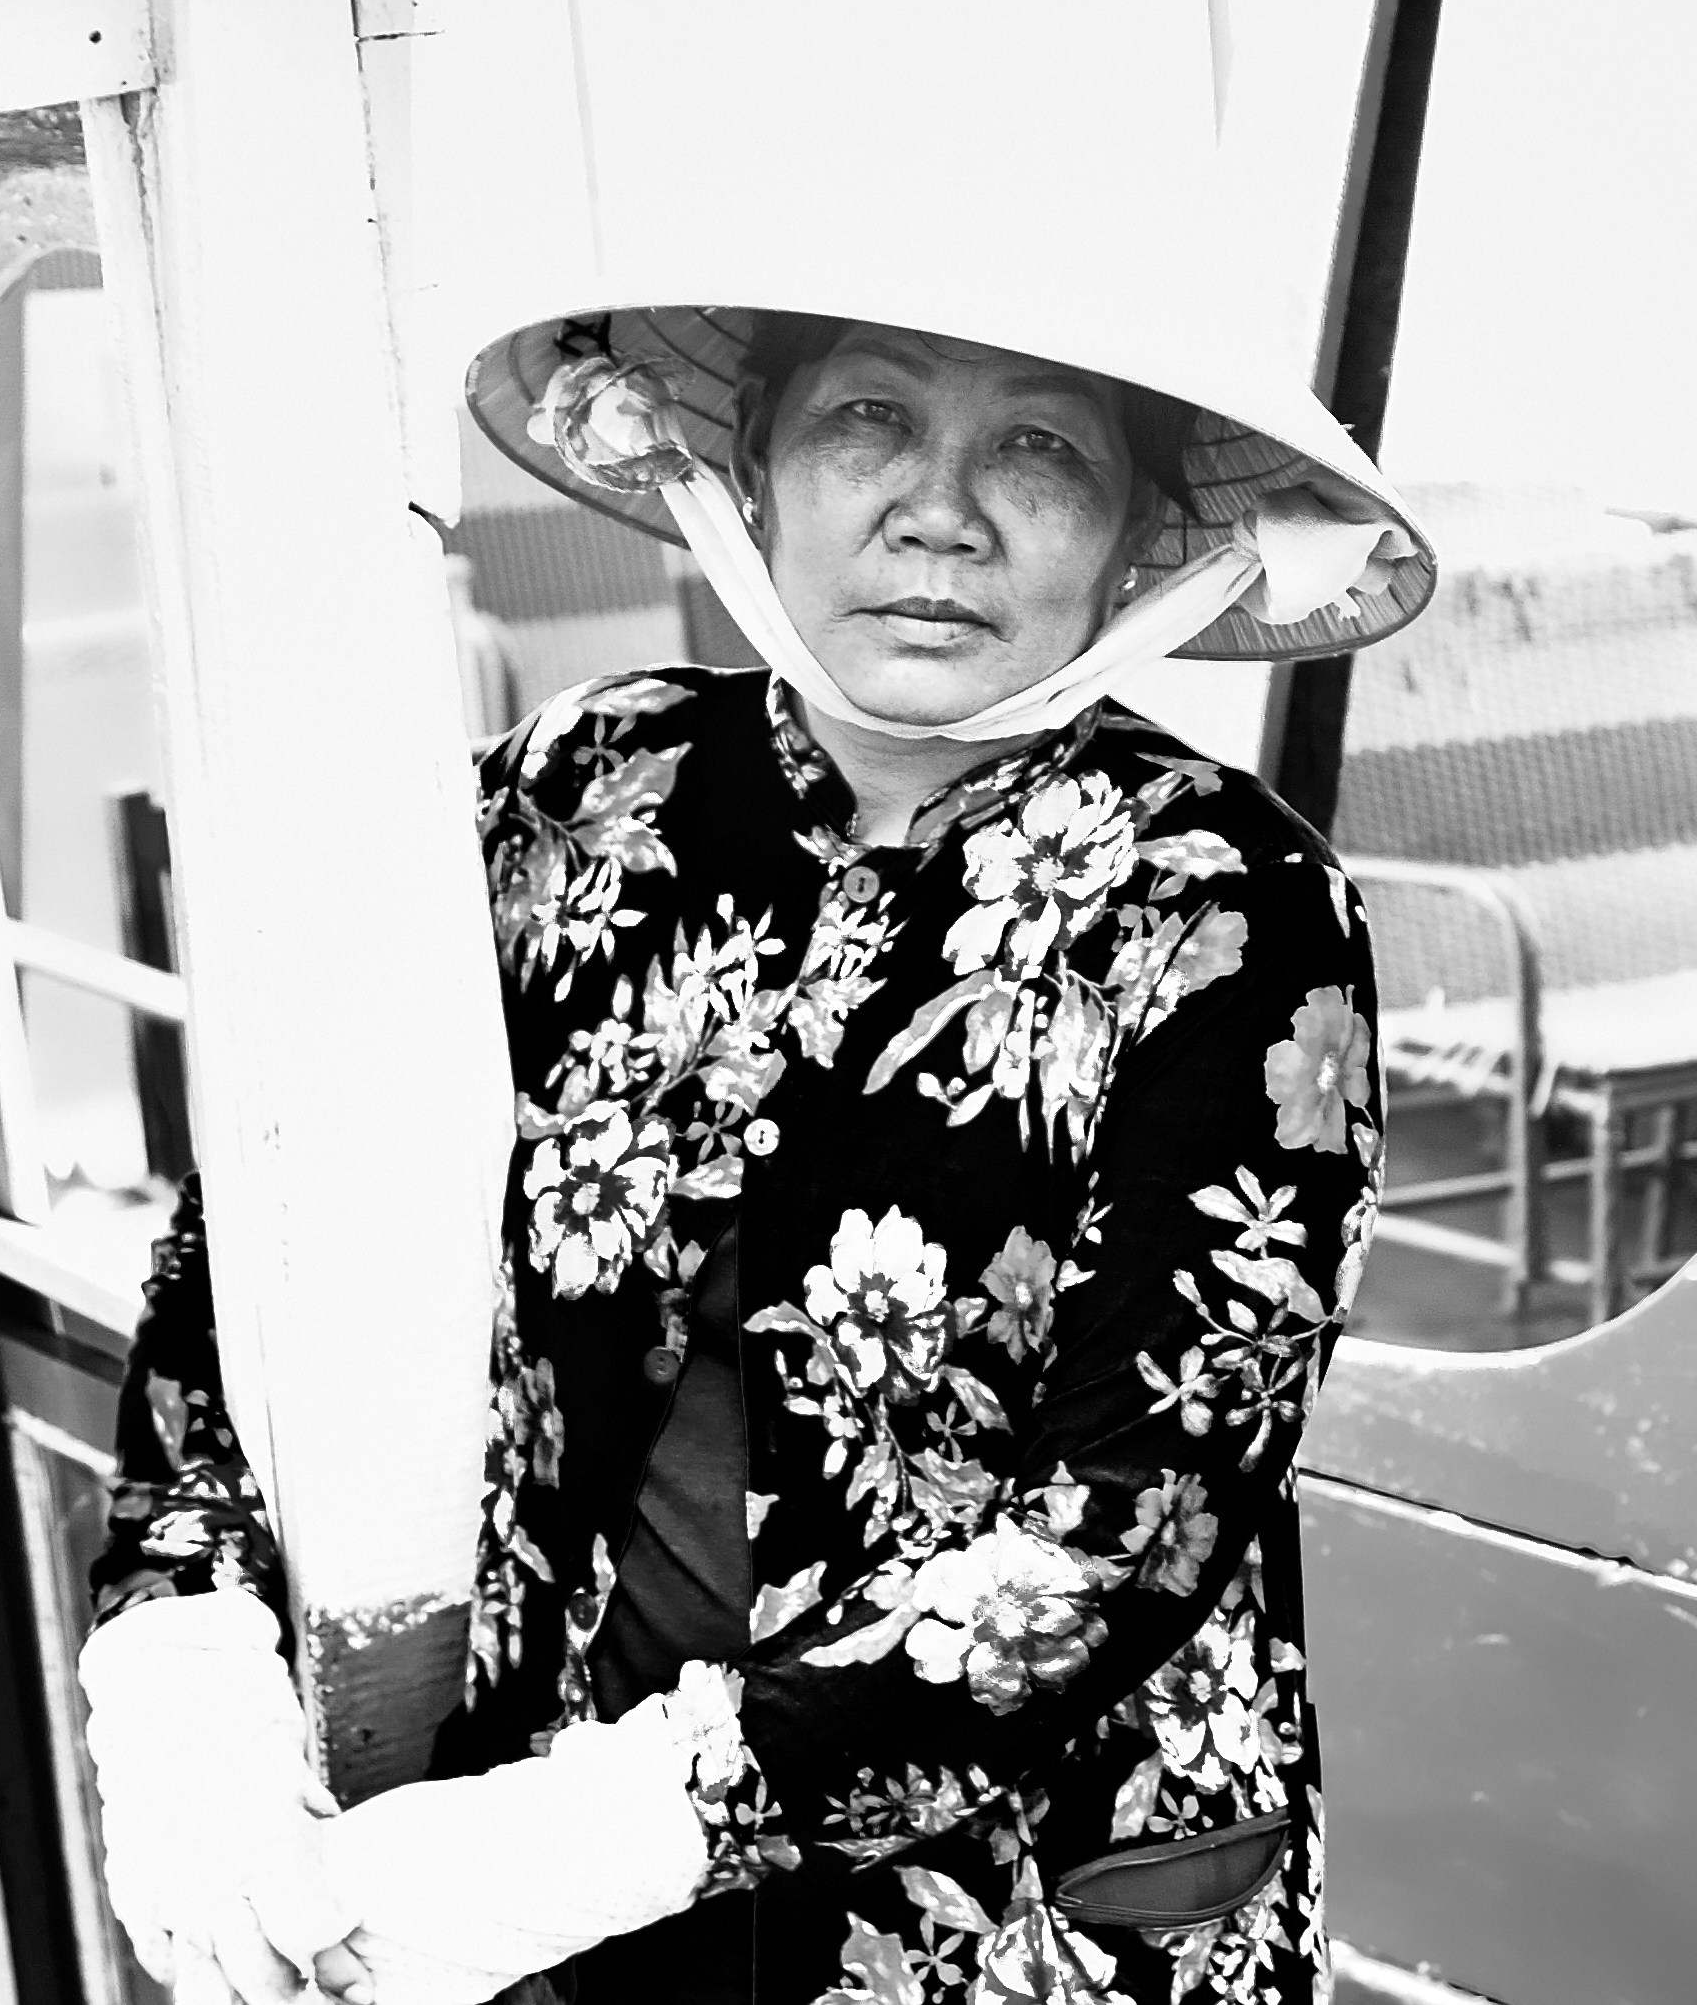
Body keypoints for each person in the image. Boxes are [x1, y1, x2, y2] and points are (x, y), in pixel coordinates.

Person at [78, 294, 1430, 2005]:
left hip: (1022, 1913)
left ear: (1141, 538)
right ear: (757, 470)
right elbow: (274, 1211)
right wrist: (177, 1630)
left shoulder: (1234, 908)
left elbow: (1133, 1522)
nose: (939, 511)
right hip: (567, 1899)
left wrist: (626, 1825)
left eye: (1038, 444)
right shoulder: (582, 790)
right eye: (870, 421)